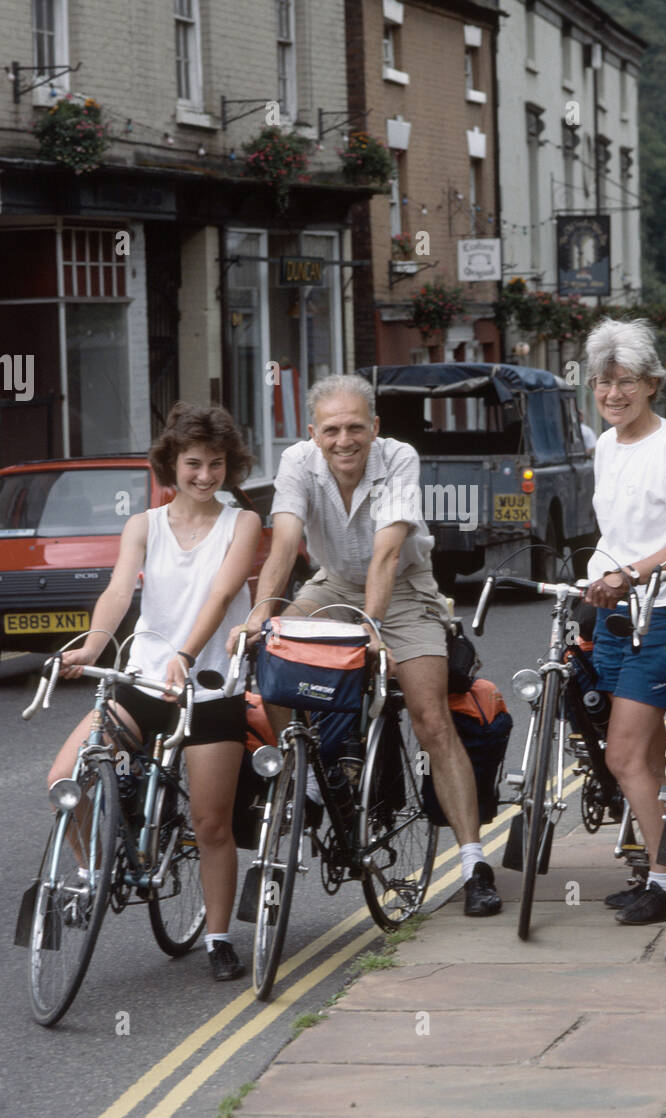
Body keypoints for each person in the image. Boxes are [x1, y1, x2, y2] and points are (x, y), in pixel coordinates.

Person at [230, 373, 501, 916]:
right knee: (275, 660)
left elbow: (385, 555)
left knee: (430, 717)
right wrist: (261, 613)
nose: (344, 440)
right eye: (331, 430)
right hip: (332, 584)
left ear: (374, 427)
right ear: (313, 432)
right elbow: (284, 542)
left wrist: (370, 630)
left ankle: (474, 864)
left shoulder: (398, 457)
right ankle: (308, 777)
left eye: (356, 427)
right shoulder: (297, 462)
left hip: (403, 592)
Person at [48, 403, 260, 981]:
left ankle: (217, 937)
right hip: (140, 680)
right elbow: (119, 592)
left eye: (217, 464)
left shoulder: (242, 524)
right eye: (193, 463)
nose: (205, 476)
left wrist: (186, 657)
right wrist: (93, 646)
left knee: (211, 824)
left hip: (209, 689)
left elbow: (220, 596)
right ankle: (100, 868)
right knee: (64, 780)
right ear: (172, 462)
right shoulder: (143, 525)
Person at [583, 318, 666, 924]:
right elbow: (618, 531)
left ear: (652, 383)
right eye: (603, 383)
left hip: (663, 615)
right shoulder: (606, 445)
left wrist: (630, 573)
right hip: (614, 614)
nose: (613, 395)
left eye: (626, 382)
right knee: (648, 757)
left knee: (623, 756)